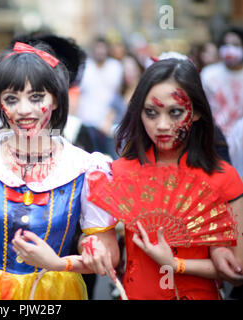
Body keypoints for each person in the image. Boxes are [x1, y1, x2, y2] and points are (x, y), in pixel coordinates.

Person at [0, 41, 119, 300]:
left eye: (36, 97)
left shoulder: (86, 168)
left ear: (55, 99)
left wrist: (66, 260)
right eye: (11, 99)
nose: (24, 110)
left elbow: (107, 252)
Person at [87, 58, 243, 299]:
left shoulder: (223, 177)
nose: (162, 125)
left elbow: (237, 271)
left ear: (197, 112)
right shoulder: (120, 172)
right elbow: (97, 240)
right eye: (151, 113)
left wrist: (175, 263)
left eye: (175, 112)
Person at [201, 27, 243, 138]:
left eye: (236, 45)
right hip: (214, 138)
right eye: (225, 44)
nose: (229, 49)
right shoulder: (208, 75)